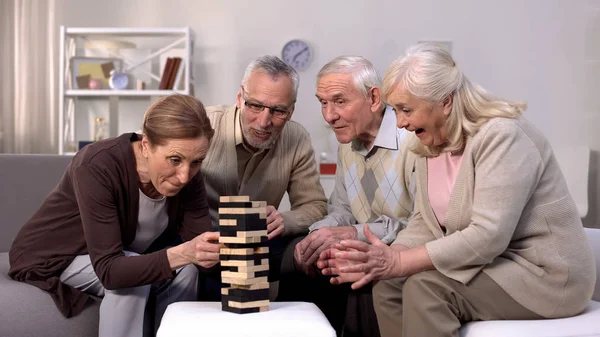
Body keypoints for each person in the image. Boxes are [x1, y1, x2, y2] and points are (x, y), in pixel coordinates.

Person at [317, 42, 597, 337]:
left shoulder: (502, 136)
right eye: (396, 110)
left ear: (445, 101)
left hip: (544, 276)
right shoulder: (427, 143)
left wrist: (398, 261)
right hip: (489, 266)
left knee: (426, 289)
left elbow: (488, 236)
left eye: (406, 109)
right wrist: (388, 256)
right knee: (387, 284)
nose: (400, 122)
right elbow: (424, 222)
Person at [9, 94, 222, 337]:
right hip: (54, 255)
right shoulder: (97, 165)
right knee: (134, 278)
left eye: (196, 162)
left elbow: (201, 252)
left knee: (188, 269)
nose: (185, 176)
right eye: (174, 160)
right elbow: (112, 271)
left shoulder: (189, 175)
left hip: (118, 256)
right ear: (145, 145)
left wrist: (241, 242)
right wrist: (185, 252)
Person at [279, 56, 416, 336]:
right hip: (363, 244)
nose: (329, 116)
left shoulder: (413, 140)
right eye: (323, 102)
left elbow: (421, 225)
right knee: (301, 257)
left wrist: (353, 235)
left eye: (339, 101)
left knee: (357, 275)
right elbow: (341, 207)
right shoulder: (347, 143)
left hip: (402, 251)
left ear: (374, 98)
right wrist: (320, 235)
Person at [198, 56, 327, 296]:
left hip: (258, 242)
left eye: (278, 110)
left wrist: (284, 220)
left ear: (291, 111)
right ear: (239, 97)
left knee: (309, 250)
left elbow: (315, 205)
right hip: (200, 240)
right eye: (255, 105)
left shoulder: (297, 139)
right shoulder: (204, 124)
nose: (264, 122)